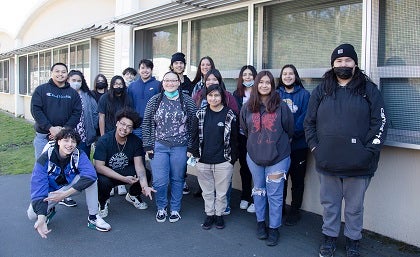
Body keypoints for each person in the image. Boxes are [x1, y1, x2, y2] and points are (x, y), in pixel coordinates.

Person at [304, 43, 387, 257]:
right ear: (332, 65)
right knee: (330, 206)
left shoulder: (368, 90)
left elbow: (381, 123)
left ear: (355, 64)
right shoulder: (322, 90)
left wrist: (368, 151)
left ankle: (353, 240)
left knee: (354, 208)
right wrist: (316, 148)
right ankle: (329, 239)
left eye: (348, 61)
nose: (343, 64)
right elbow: (309, 123)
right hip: (327, 161)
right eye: (339, 61)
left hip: (359, 164)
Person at [240, 70, 294, 246]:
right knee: (259, 191)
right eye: (261, 82)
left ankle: (274, 228)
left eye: (268, 82)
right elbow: (245, 130)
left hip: (278, 157)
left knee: (275, 194)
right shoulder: (247, 107)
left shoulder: (282, 106)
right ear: (256, 84)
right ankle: (261, 223)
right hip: (255, 157)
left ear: (272, 85)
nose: (264, 85)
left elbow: (289, 130)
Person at [27, 128, 111, 239]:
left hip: (67, 189)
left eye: (73, 141)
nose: (70, 144)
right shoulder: (44, 159)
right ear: (58, 141)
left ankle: (93, 217)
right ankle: (48, 211)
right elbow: (38, 190)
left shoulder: (78, 154)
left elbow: (90, 175)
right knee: (32, 215)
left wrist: (64, 195)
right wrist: (41, 218)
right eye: (66, 140)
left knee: (91, 179)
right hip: (51, 193)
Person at [142, 71, 199, 223]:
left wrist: (191, 148)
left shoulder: (187, 100)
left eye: (173, 81)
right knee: (160, 180)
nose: (170, 83)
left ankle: (175, 209)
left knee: (177, 178)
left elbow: (194, 124)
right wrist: (147, 144)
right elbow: (147, 122)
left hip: (180, 146)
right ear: (163, 83)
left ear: (179, 82)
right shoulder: (155, 100)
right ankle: (161, 207)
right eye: (166, 80)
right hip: (159, 145)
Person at [192, 68, 239, 214]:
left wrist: (232, 159)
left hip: (223, 160)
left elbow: (235, 139)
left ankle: (219, 215)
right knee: (207, 193)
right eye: (210, 95)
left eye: (217, 95)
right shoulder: (200, 114)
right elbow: (194, 136)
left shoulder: (229, 115)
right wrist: (196, 156)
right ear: (206, 97)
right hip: (204, 160)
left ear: (222, 97)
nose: (214, 98)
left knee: (221, 193)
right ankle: (209, 214)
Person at [94, 108, 155, 218]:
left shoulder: (135, 141)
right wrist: (123, 178)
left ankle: (132, 195)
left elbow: (139, 166)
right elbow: (99, 167)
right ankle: (102, 202)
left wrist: (145, 186)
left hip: (126, 170)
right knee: (102, 181)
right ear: (117, 123)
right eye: (123, 124)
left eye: (129, 127)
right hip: (108, 173)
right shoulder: (104, 141)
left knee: (146, 173)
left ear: (132, 130)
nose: (124, 128)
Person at [277, 64, 310, 226]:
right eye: (285, 74)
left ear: (295, 76)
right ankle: (279, 208)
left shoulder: (305, 95)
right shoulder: (275, 94)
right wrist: (283, 136)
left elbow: (306, 118)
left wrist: (291, 134)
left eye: (291, 74)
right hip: (280, 146)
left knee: (297, 180)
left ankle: (294, 211)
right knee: (280, 179)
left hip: (299, 146)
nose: (288, 76)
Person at [30, 62, 82, 159]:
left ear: (67, 75)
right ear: (51, 73)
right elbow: (36, 110)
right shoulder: (41, 90)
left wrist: (63, 131)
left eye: (63, 72)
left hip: (65, 138)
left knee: (64, 166)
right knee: (42, 166)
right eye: (57, 71)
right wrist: (50, 128)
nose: (60, 74)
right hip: (44, 136)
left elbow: (77, 113)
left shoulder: (73, 93)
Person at [233, 65, 257, 214]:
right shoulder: (236, 95)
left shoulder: (259, 93)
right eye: (245, 75)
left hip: (257, 138)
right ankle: (245, 196)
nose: (247, 77)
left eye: (250, 75)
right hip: (242, 137)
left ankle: (256, 199)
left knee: (257, 169)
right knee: (245, 168)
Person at [170, 52, 194, 195]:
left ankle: (182, 180)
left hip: (185, 124)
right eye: (176, 63)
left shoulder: (189, 83)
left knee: (182, 155)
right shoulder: (168, 80)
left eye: (181, 63)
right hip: (170, 125)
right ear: (172, 65)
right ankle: (172, 181)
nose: (179, 65)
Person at [68, 70, 98, 158]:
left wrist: (93, 127)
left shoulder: (87, 95)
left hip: (83, 137)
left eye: (79, 81)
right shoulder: (63, 94)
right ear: (68, 80)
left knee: (83, 161)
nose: (76, 83)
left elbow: (95, 113)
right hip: (67, 136)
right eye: (73, 80)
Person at [128, 59, 161, 140]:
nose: (145, 70)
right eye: (143, 68)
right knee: (137, 149)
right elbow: (128, 106)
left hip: (153, 125)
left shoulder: (158, 85)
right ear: (139, 70)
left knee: (151, 150)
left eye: (148, 68)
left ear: (152, 70)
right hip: (137, 125)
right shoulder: (132, 86)